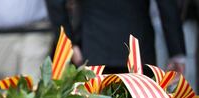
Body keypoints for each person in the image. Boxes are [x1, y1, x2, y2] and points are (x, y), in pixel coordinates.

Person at [46, 0, 186, 74]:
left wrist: (69, 43)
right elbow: (167, 5)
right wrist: (176, 52)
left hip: (93, 47)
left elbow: (56, 3)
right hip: (138, 47)